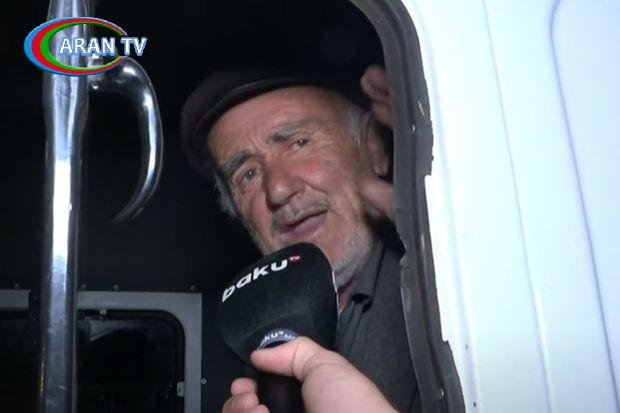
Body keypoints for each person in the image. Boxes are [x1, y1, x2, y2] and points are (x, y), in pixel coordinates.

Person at [181, 64, 419, 412]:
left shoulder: (449, 286)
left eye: (299, 143)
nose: (278, 189)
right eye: (248, 174)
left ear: (374, 150)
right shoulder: (260, 343)